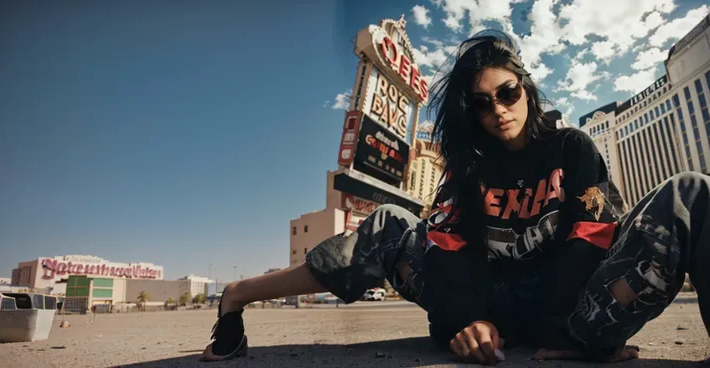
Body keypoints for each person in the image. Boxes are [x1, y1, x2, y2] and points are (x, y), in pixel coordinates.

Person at [201, 30, 709, 365]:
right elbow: (450, 257)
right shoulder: (468, 171)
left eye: (508, 93)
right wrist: (468, 325)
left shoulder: (571, 148)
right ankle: (237, 297)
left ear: (526, 90)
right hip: (492, 317)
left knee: (692, 192)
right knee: (390, 223)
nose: (499, 111)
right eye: (482, 104)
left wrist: (568, 336)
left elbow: (592, 237)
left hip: (578, 317)